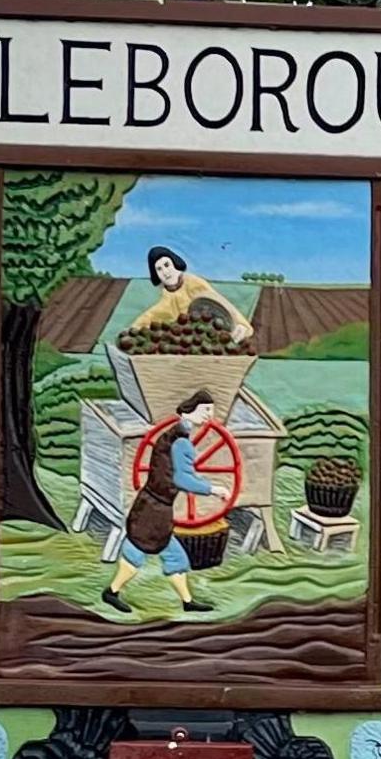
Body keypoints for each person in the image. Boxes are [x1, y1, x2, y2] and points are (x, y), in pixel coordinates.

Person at [106, 394, 226, 614]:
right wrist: (213, 489)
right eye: (206, 410)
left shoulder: (172, 435)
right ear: (188, 411)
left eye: (211, 410)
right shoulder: (181, 443)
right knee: (136, 555)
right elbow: (182, 478)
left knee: (173, 556)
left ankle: (187, 602)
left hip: (153, 507)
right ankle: (112, 592)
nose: (210, 415)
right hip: (153, 510)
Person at [126, 246, 252, 347]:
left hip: (212, 338)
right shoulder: (166, 298)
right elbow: (151, 316)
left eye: (166, 265)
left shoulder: (195, 284)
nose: (165, 272)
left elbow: (220, 304)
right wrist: (133, 331)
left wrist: (241, 325)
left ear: (175, 263)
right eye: (159, 269)